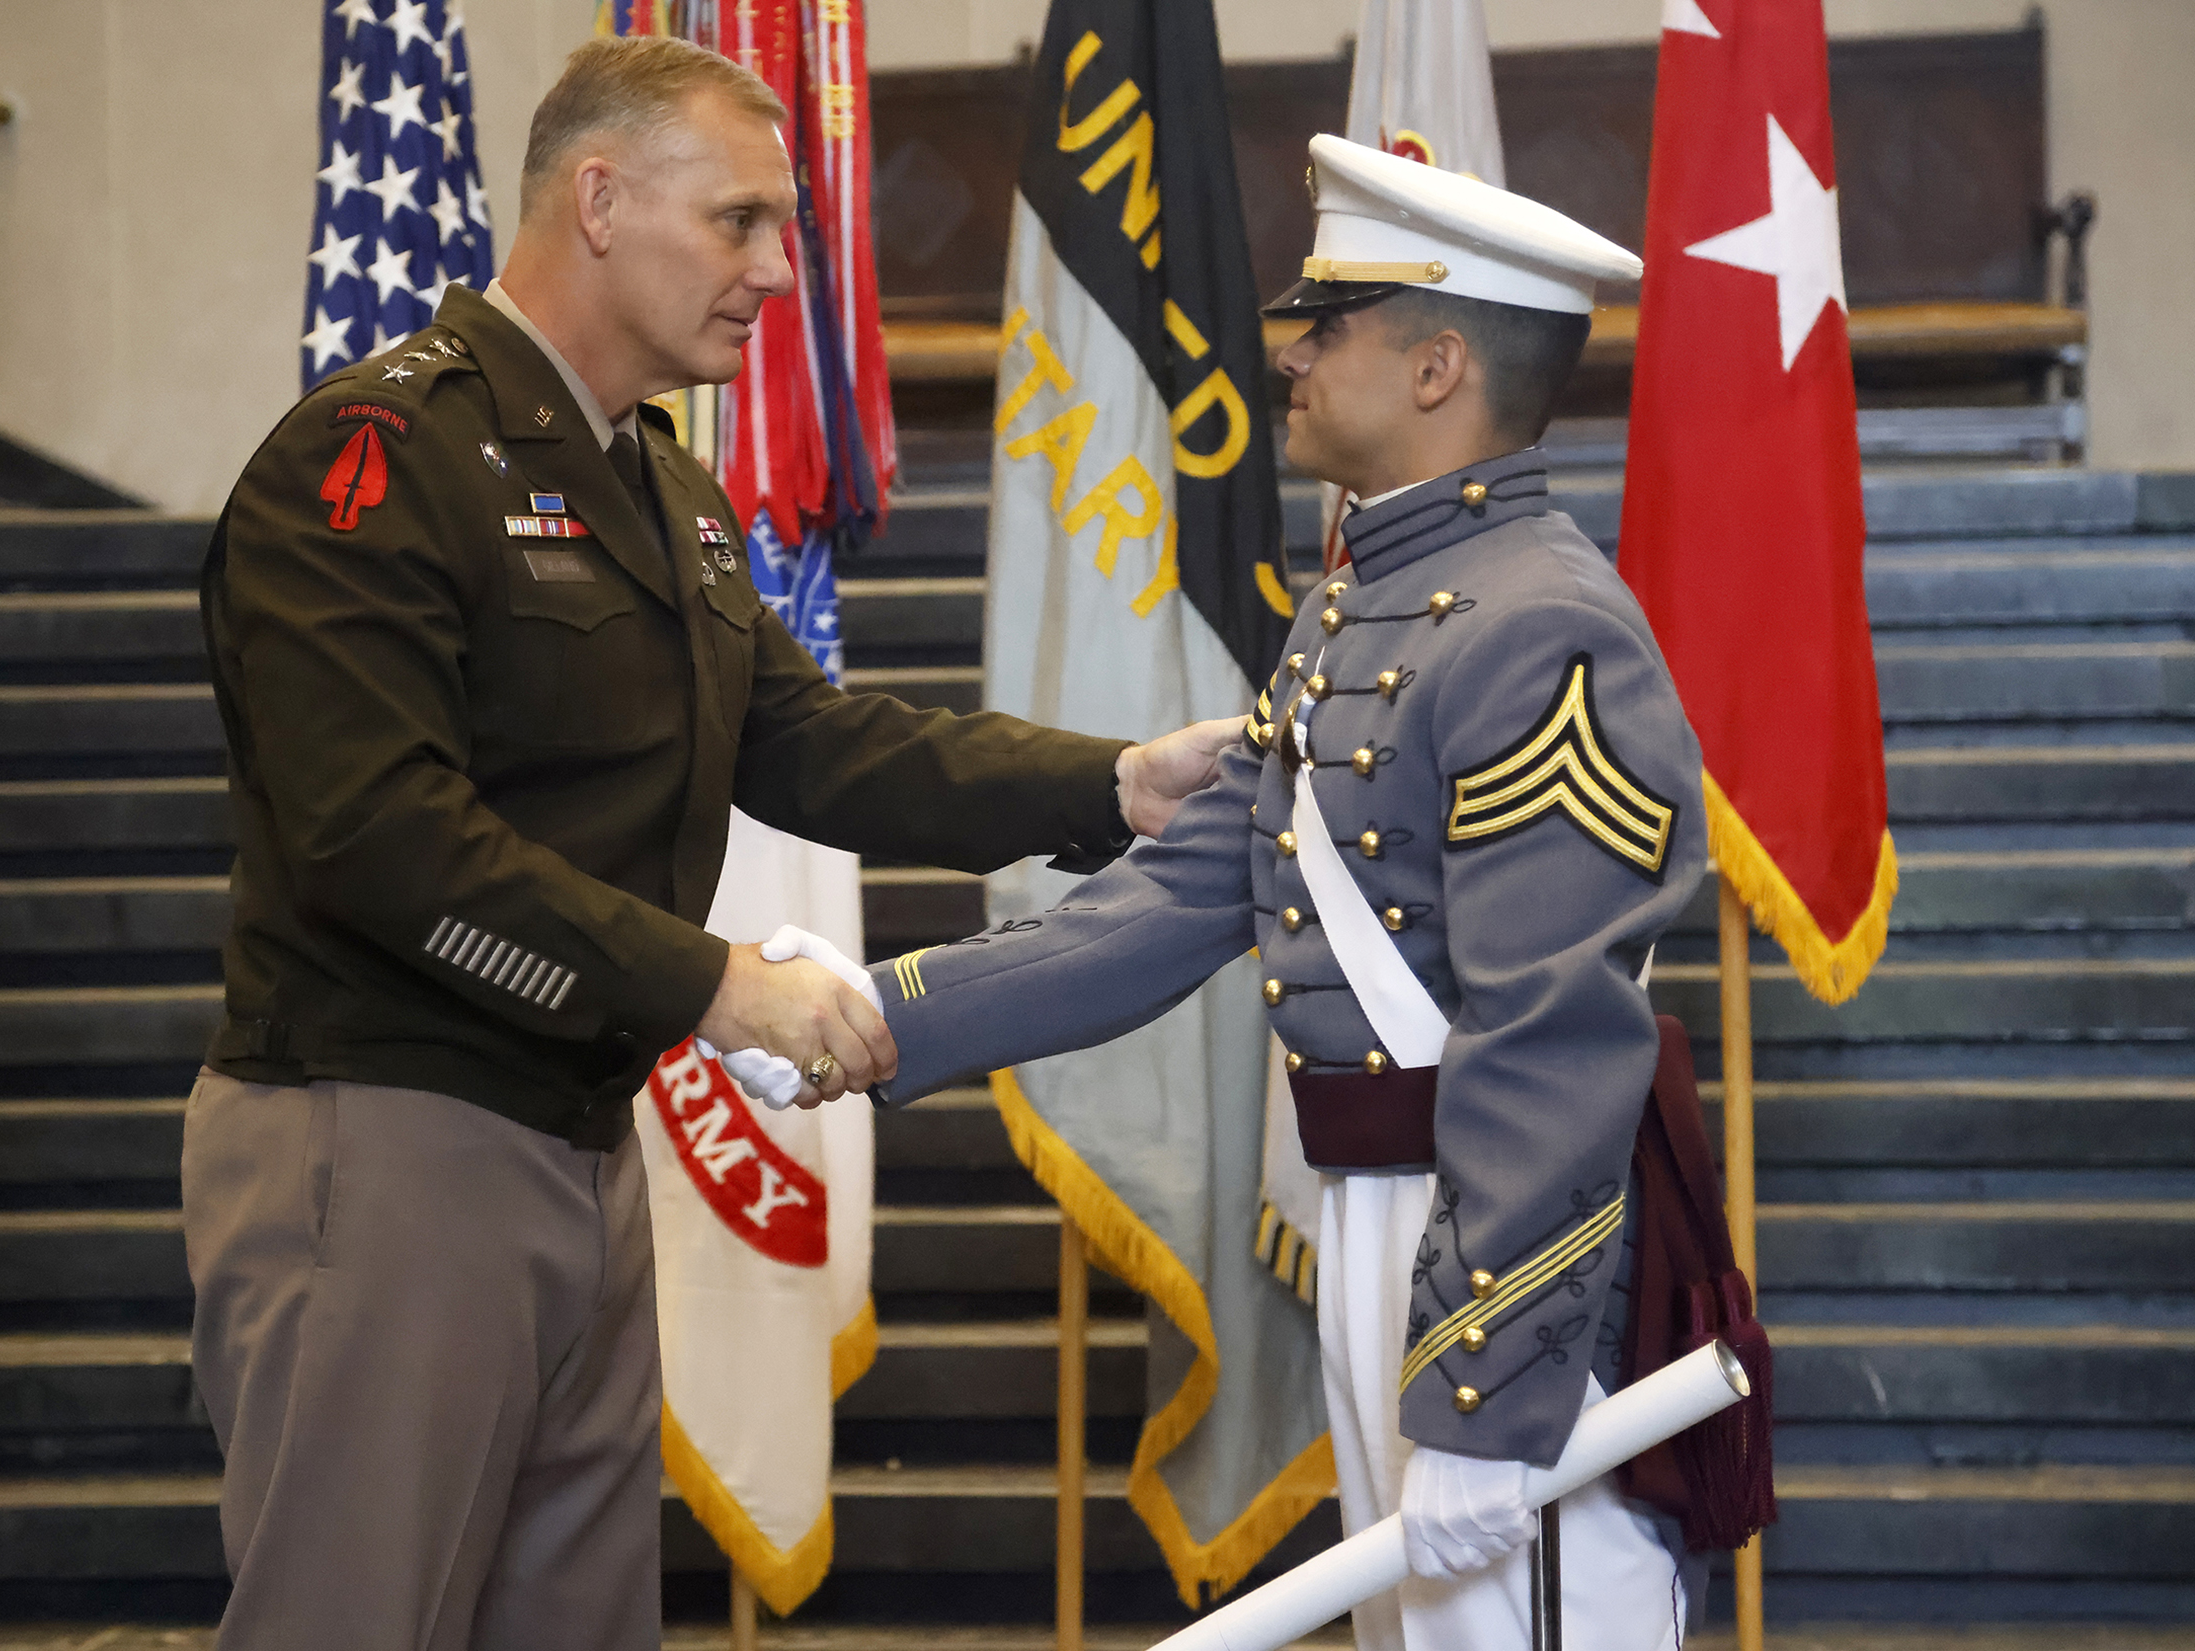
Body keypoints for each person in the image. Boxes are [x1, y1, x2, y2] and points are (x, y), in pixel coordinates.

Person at [183, 35, 1238, 1651]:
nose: (778, 273)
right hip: (388, 1138)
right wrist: (716, 988)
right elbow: (378, 842)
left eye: (784, 230)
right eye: (739, 221)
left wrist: (1117, 788)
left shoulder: (663, 487)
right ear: (599, 201)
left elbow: (809, 744)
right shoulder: (382, 458)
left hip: (578, 1142)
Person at [849, 136, 1711, 1650]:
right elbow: (1177, 898)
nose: (1291, 352)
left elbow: (1551, 1039)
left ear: (1439, 365)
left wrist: (1489, 1379)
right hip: (1379, 1218)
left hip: (1501, 1252)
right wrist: (875, 1015)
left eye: (1333, 322)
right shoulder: (1358, 604)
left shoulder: (1544, 628)